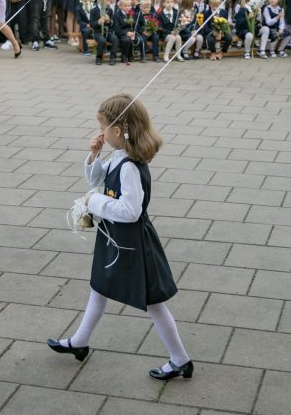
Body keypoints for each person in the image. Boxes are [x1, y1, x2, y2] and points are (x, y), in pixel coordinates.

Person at [47, 93, 192, 382]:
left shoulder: (129, 167)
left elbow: (131, 210)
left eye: (103, 128)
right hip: (116, 239)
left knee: (152, 302)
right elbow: (97, 180)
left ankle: (180, 359)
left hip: (133, 244)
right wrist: (93, 155)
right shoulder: (119, 156)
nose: (100, 133)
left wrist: (93, 203)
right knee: (99, 287)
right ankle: (79, 342)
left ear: (118, 130)